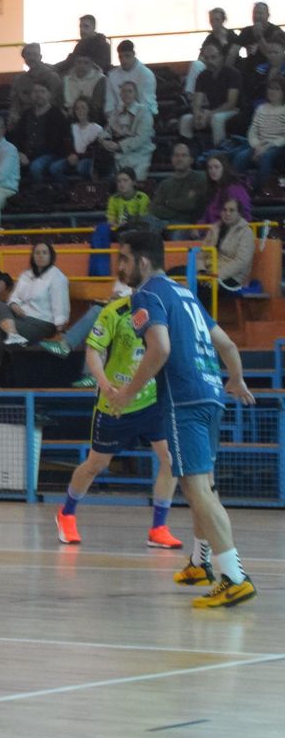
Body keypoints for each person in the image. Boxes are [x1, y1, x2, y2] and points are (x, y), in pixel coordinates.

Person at [109, 230, 256, 608]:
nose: (119, 266)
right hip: (211, 393)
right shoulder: (185, 292)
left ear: (142, 261)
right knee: (203, 484)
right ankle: (200, 562)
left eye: (123, 258)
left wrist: (125, 394)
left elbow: (160, 347)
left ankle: (234, 576)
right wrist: (235, 379)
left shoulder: (146, 295)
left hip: (184, 398)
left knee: (194, 487)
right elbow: (227, 344)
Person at [53, 294, 182, 550]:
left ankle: (158, 527)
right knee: (97, 464)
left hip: (151, 400)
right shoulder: (114, 312)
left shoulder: (162, 309)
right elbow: (93, 350)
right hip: (115, 403)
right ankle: (66, 513)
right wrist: (103, 383)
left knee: (169, 458)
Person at [0, 242, 70, 389]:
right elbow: (14, 298)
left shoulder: (57, 277)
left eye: (44, 253)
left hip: (43, 323)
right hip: (20, 319)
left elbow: (61, 306)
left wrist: (60, 329)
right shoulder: (25, 275)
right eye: (37, 252)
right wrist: (14, 304)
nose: (40, 256)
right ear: (33, 256)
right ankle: (12, 334)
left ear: (51, 256)